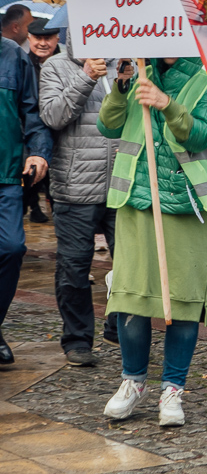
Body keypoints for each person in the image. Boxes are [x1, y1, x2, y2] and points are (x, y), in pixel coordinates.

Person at [97, 57, 207, 427]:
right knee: (130, 295)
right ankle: (133, 381)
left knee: (183, 301)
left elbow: (202, 134)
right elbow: (108, 125)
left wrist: (167, 105)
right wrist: (122, 86)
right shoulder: (137, 68)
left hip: (191, 205)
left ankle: (173, 388)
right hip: (137, 201)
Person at [38, 33, 118, 366]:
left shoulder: (126, 64)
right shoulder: (55, 66)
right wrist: (86, 77)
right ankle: (77, 339)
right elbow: (53, 117)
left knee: (130, 266)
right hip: (75, 187)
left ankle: (120, 328)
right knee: (73, 269)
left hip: (122, 185)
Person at [0, 31, 50, 365]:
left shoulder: (12, 55)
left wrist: (38, 151)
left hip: (6, 173)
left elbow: (31, 111)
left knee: (12, 247)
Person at [24, 18, 59, 223]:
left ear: (57, 39)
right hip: (30, 134)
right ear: (29, 38)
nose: (43, 43)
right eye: (38, 38)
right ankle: (33, 206)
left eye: (48, 38)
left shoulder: (66, 64)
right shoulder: (22, 64)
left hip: (59, 134)